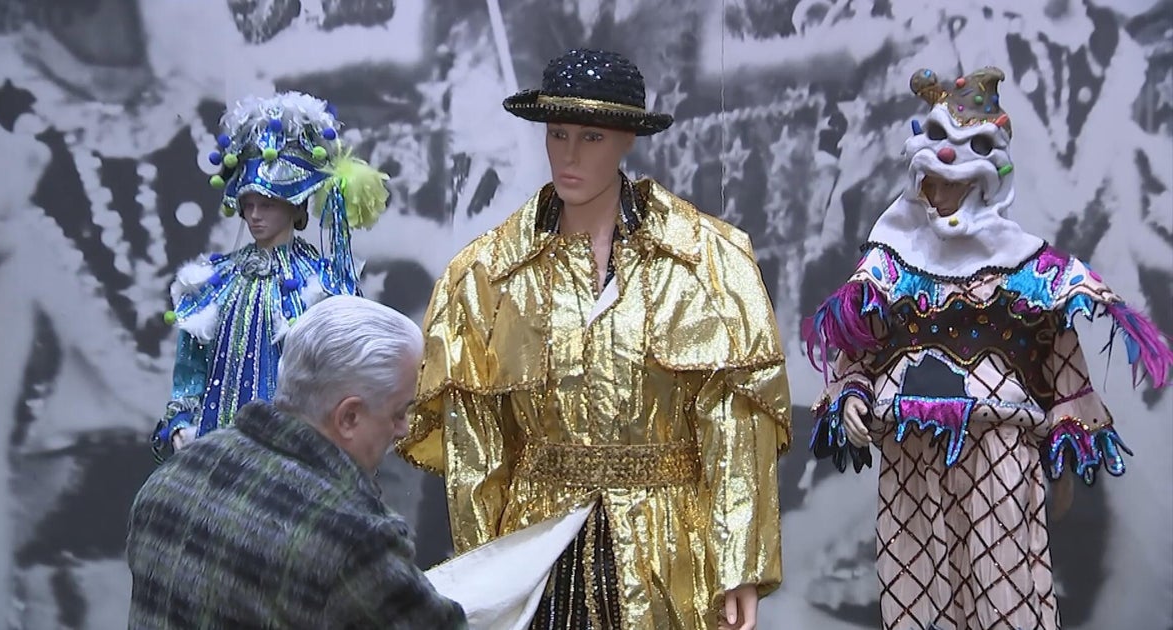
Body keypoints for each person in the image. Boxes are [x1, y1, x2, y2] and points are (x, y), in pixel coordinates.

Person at [398, 49, 791, 630]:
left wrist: (740, 563)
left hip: (669, 547)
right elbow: (476, 440)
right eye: (557, 134)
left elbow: (733, 421)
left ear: (628, 138)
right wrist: (482, 569)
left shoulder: (706, 261)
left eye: (592, 137)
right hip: (537, 546)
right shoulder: (486, 275)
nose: (569, 155)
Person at [803, 66, 1173, 630]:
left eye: (958, 177)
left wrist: (1063, 450)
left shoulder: (1023, 263)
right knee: (914, 590)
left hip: (1000, 441)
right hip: (909, 449)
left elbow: (1057, 354)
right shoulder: (888, 259)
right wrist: (851, 390)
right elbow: (859, 340)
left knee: (1005, 589)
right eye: (936, 176)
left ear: (985, 177)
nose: (944, 187)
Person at [127, 295, 467, 629]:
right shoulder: (354, 541)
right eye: (397, 413)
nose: (403, 429)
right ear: (348, 416)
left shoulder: (169, 479)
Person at [151, 91, 390, 461]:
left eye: (267, 205)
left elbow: (341, 374)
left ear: (294, 207)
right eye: (248, 205)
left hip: (293, 456)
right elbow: (191, 366)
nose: (255, 216)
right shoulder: (215, 280)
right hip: (214, 450)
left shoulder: (321, 284)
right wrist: (183, 419)